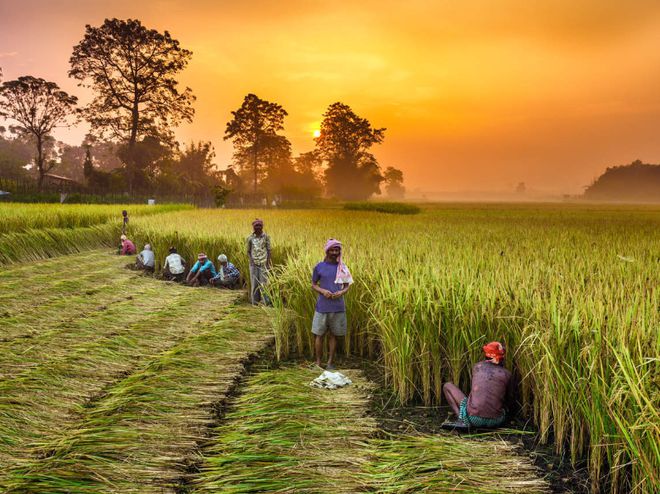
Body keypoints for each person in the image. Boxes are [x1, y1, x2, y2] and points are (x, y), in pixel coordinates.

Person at [442, 341, 513, 429]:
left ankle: (462, 420)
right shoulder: (507, 374)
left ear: (486, 354)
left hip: (473, 419)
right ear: (501, 357)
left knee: (447, 386)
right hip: (496, 421)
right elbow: (509, 399)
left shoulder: (477, 367)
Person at [311, 239, 353, 370]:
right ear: (327, 251)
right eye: (332, 250)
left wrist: (341, 293)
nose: (335, 252)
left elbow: (347, 286)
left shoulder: (343, 267)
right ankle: (318, 363)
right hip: (322, 307)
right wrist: (323, 291)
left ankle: (330, 363)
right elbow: (313, 285)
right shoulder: (319, 267)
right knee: (319, 334)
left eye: (337, 250)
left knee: (334, 335)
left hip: (338, 306)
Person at [246, 219, 271, 304]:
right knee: (254, 283)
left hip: (263, 263)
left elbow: (269, 250)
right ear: (253, 227)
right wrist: (251, 261)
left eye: (260, 225)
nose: (258, 227)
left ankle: (266, 302)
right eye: (256, 225)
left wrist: (268, 263)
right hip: (253, 264)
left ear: (262, 226)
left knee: (264, 284)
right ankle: (255, 302)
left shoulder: (266, 237)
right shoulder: (250, 238)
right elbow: (248, 251)